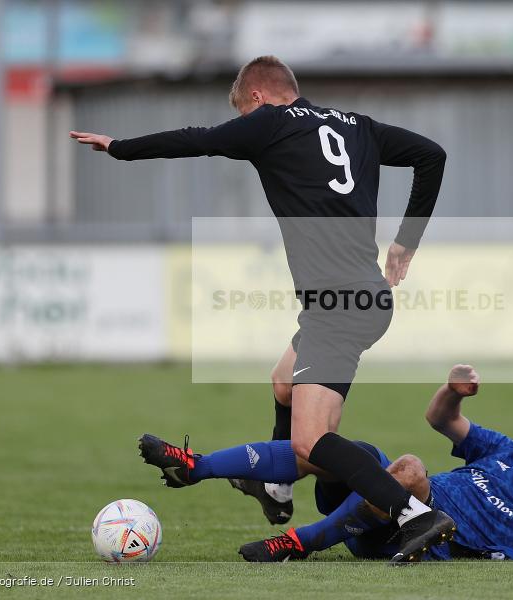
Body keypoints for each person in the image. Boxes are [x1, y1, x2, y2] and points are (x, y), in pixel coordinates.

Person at [71, 55, 453, 563]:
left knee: (313, 441)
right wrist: (406, 243)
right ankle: (276, 490)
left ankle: (413, 513)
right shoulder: (359, 126)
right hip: (358, 297)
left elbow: (196, 139)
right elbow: (433, 155)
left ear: (256, 97)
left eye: (243, 112)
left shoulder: (269, 123)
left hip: (338, 304)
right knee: (283, 384)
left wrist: (119, 147)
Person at [234, 364, 513, 562]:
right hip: (380, 501)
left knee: (408, 468)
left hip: (402, 535)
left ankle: (297, 542)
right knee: (349, 448)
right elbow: (441, 419)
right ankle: (271, 483)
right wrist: (453, 390)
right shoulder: (511, 453)